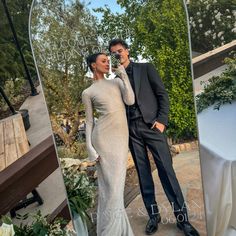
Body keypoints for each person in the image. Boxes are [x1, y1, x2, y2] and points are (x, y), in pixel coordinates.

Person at [109, 39, 200, 236]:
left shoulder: (146, 68)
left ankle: (182, 219)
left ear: (127, 51)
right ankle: (153, 216)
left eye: (120, 51)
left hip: (152, 126)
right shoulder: (115, 79)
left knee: (167, 171)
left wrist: (162, 121)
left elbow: (162, 95)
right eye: (113, 53)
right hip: (131, 130)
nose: (118, 55)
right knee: (143, 174)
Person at [82, 52, 135, 236]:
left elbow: (130, 100)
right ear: (93, 65)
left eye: (108, 61)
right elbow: (89, 122)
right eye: (103, 61)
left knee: (116, 187)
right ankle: (112, 231)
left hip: (121, 139)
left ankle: (113, 230)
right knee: (110, 187)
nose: (107, 63)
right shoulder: (88, 92)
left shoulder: (117, 82)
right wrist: (89, 147)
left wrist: (123, 75)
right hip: (103, 140)